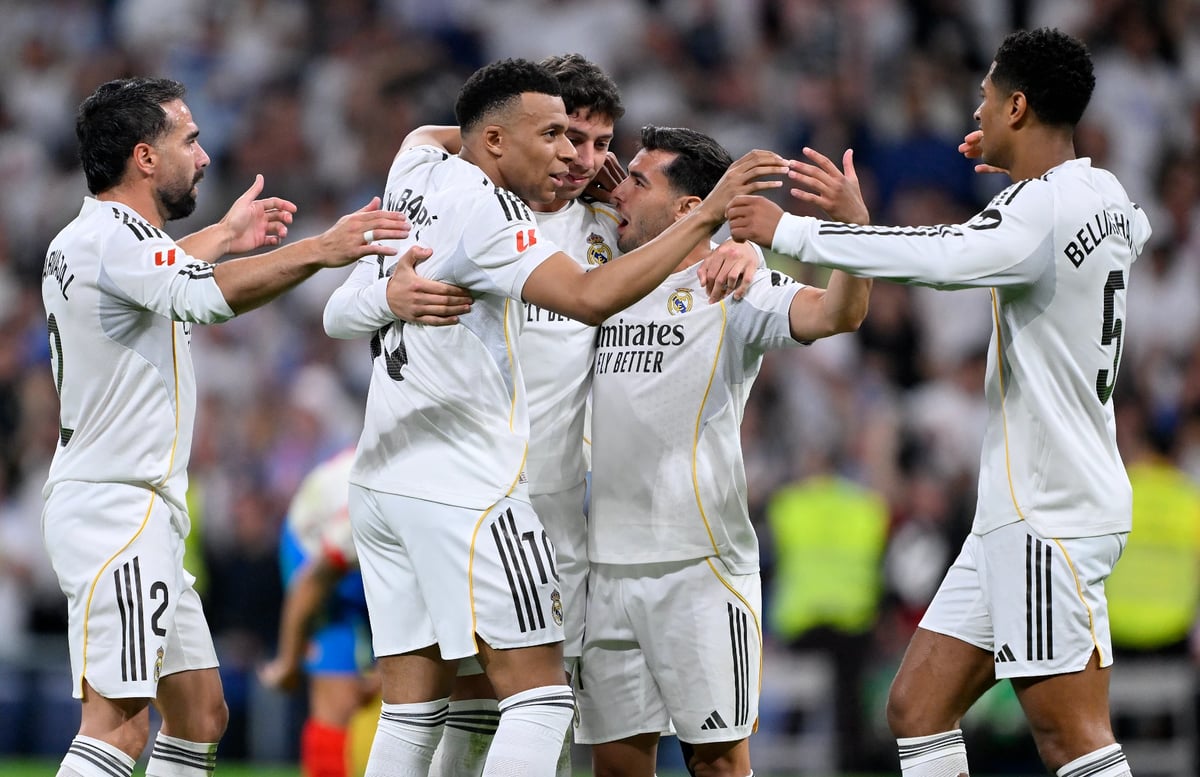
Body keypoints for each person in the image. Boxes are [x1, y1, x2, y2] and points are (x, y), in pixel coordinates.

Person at [322, 58, 786, 777]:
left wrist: (738, 246)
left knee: (470, 712)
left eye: (602, 145)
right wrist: (389, 298)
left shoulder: (606, 222)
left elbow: (683, 251)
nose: (584, 159)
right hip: (479, 492)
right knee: (508, 706)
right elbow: (342, 307)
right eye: (564, 137)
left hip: (550, 511)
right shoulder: (487, 207)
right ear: (520, 133)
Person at [726, 27, 1151, 777]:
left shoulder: (1042, 209)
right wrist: (1019, 169)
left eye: (987, 97)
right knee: (917, 707)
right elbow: (1124, 232)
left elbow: (945, 259)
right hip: (1022, 510)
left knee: (1072, 736)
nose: (976, 111)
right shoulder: (1108, 196)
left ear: (1018, 106)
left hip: (1049, 512)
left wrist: (798, 231)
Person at [39, 76, 410, 777]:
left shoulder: (90, 237)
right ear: (145, 157)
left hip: (130, 508)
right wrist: (321, 249)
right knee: (118, 727)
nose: (205, 156)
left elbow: (162, 270)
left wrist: (228, 234)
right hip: (117, 512)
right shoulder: (117, 239)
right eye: (190, 139)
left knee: (201, 714)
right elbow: (202, 295)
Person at [578, 125, 873, 777]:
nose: (619, 190)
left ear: (690, 207)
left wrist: (852, 233)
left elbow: (838, 314)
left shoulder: (733, 285)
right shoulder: (602, 280)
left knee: (718, 766)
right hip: (605, 566)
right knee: (616, 768)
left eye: (639, 181)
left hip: (699, 565)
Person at [259, 449, 377, 777]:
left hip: (369, 560)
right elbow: (309, 586)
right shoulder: (361, 514)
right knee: (340, 697)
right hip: (312, 551)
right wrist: (288, 661)